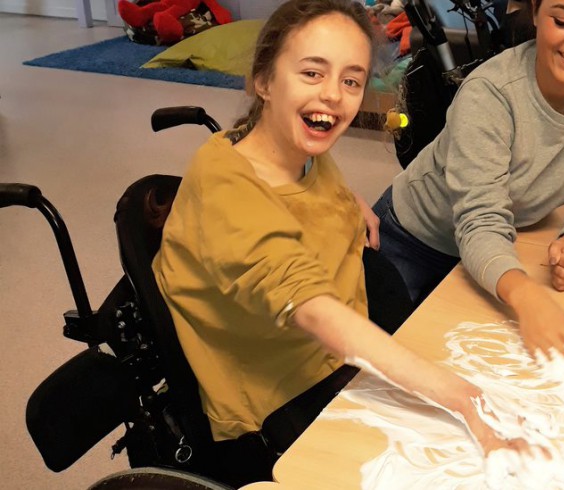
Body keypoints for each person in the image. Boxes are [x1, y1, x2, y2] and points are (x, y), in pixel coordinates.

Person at [152, 0, 536, 486]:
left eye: (351, 81)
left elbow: (292, 195)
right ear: (263, 80)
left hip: (335, 349)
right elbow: (309, 305)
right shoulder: (227, 188)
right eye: (312, 73)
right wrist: (463, 398)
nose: (334, 95)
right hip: (281, 392)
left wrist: (341, 199)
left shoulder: (294, 148)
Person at [374, 0, 564, 359]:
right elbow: (480, 219)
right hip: (411, 238)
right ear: (535, 12)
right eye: (563, 21)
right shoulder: (491, 92)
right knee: (375, 365)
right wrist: (525, 294)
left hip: (495, 249)